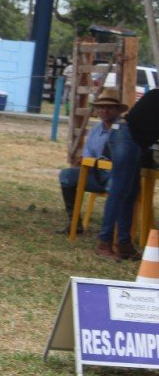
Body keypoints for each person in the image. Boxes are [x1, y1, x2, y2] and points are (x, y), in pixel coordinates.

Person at [95, 88, 159, 260]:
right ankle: (104, 242)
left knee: (130, 193)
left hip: (132, 141)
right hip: (126, 137)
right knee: (119, 190)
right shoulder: (156, 95)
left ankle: (124, 244)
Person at [56, 88, 125, 233]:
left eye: (109, 107)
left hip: (116, 175)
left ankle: (111, 232)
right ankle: (74, 223)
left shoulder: (124, 129)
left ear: (117, 110)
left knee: (114, 187)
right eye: (101, 107)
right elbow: (88, 156)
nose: (105, 111)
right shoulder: (95, 129)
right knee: (66, 176)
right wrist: (83, 162)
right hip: (96, 173)